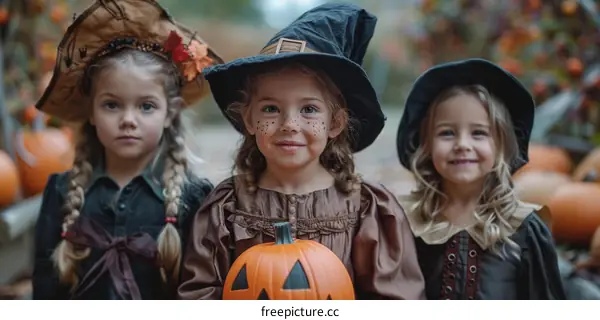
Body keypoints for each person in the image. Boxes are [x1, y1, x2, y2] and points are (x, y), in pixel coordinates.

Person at [177, 3, 426, 300]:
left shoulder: (367, 209)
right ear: (249, 120)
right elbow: (199, 296)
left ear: (334, 123)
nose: (289, 124)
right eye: (271, 108)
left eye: (309, 109)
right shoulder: (225, 209)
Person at [31, 0, 224, 299]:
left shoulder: (192, 197)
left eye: (146, 106)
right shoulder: (60, 191)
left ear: (170, 113)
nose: (128, 120)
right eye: (112, 105)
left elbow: (201, 293)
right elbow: (45, 290)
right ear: (92, 112)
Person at [395, 58, 567, 299]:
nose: (462, 144)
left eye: (478, 133)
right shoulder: (407, 224)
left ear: (502, 146)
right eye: (447, 133)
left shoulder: (524, 230)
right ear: (426, 145)